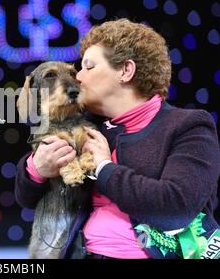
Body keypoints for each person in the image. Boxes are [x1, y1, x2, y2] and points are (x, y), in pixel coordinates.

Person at [15, 18, 220, 259]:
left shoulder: (189, 126)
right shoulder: (87, 125)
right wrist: (36, 168)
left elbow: (175, 209)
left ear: (125, 71)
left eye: (88, 67)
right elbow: (27, 198)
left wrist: (104, 168)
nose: (77, 78)